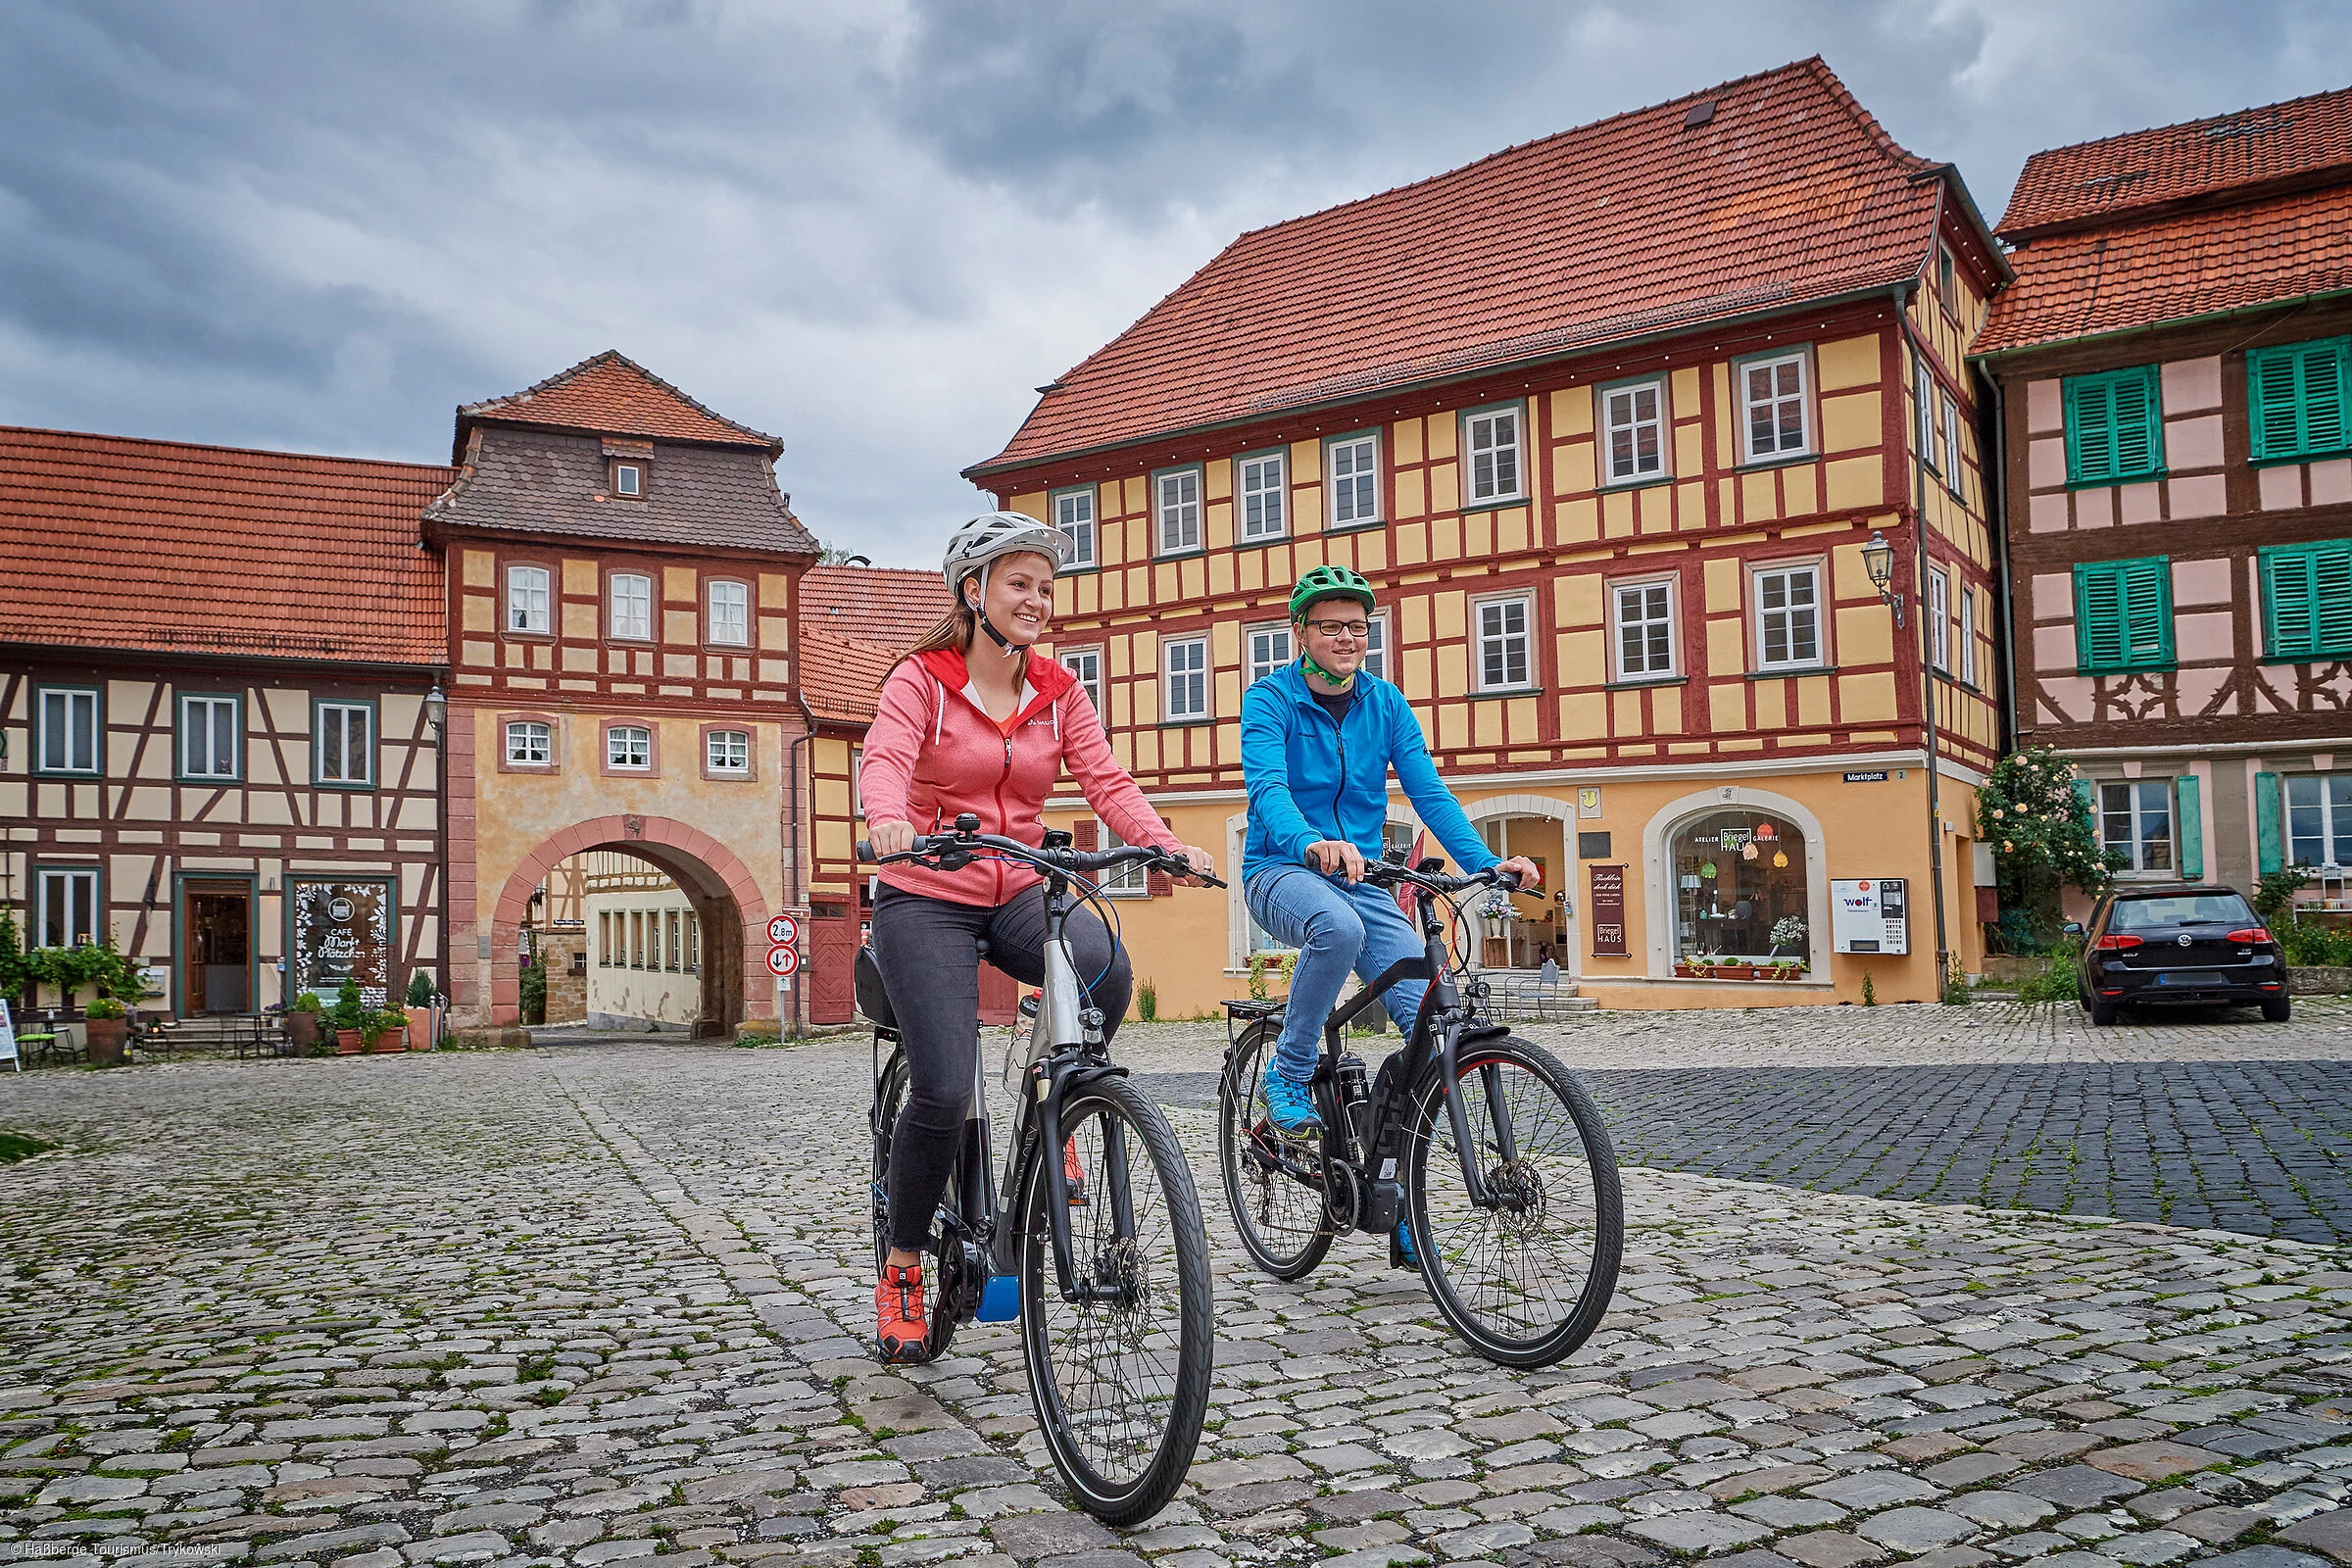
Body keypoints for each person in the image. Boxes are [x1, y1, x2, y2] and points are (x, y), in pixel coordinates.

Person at [860, 513, 1216, 1362]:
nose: (1037, 601)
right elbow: (883, 758)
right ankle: (904, 1264)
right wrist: (886, 821)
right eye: (1019, 583)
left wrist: (1162, 839)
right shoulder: (922, 679)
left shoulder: (1059, 691)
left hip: (1017, 884)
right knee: (944, 1093)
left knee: (1106, 970)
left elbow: (1105, 779)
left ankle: (1052, 1121)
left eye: (1045, 587)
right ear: (973, 592)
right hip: (927, 892)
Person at [1240, 564, 1541, 1266]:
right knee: (1335, 929)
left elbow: (1429, 793)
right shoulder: (1271, 700)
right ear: (1300, 633)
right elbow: (1269, 789)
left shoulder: (1385, 703)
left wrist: (1485, 862)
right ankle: (1287, 1072)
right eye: (1331, 625)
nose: (1347, 637)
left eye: (1357, 627)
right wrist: (1310, 843)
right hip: (1282, 867)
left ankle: (1397, 1187)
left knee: (1432, 1027)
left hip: (1369, 876)